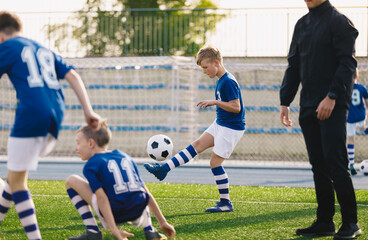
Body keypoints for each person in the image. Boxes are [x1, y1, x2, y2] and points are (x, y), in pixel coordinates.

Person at [0, 11, 102, 239]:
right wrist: (88, 111)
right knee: (14, 175)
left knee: (18, 182)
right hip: (55, 115)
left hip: (31, 114)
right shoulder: (42, 48)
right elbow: (73, 75)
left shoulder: (7, 47)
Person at [279, 0, 361, 239]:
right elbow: (293, 66)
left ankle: (351, 223)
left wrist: (332, 96)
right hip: (308, 105)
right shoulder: (301, 24)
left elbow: (348, 63)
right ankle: (325, 221)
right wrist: (285, 100)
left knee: (336, 163)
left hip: (332, 104)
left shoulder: (339, 22)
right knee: (318, 166)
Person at [144, 46, 245, 213]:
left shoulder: (227, 81)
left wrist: (215, 102)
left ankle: (226, 203)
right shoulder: (221, 80)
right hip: (221, 123)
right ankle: (163, 169)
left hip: (230, 128)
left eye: (205, 67)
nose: (204, 71)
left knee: (214, 163)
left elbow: (236, 107)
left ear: (217, 63)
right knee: (196, 145)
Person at [65, 122, 175, 240]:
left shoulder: (91, 165)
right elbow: (146, 192)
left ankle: (92, 232)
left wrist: (114, 230)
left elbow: (102, 199)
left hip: (115, 213)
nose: (76, 148)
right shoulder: (125, 156)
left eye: (78, 143)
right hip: (138, 211)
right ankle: (149, 230)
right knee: (139, 192)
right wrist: (162, 221)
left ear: (91, 143)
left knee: (71, 181)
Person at [347, 68, 368, 175]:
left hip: (350, 118)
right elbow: (367, 103)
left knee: (350, 139)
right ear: (357, 76)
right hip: (360, 116)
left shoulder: (345, 88)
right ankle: (365, 128)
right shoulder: (362, 88)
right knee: (364, 129)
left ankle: (351, 163)